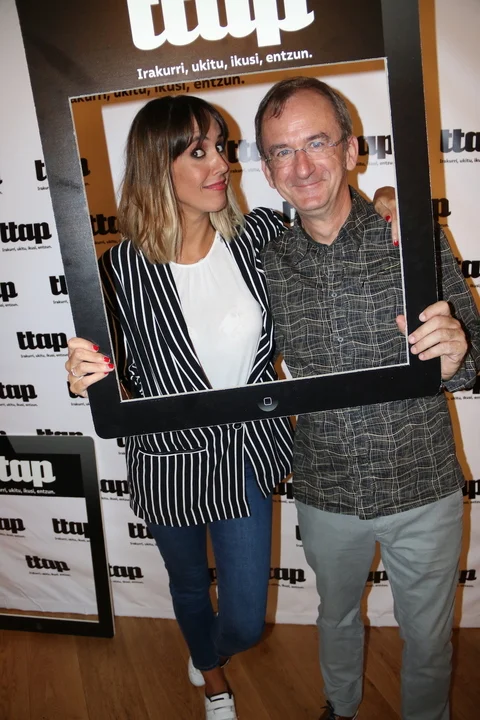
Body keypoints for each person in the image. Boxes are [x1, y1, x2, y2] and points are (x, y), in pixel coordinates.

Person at [66, 94, 397, 720]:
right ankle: (214, 683)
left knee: (244, 618)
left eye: (220, 147)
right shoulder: (117, 273)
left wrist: (385, 201)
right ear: (157, 166)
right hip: (167, 461)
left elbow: (334, 221)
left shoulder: (258, 236)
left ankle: (208, 649)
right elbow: (104, 376)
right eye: (199, 152)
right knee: (190, 584)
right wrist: (81, 376)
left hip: (245, 455)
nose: (222, 163)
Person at [255, 75, 480, 720]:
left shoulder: (409, 234)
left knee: (429, 640)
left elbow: (474, 348)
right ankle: (341, 709)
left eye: (317, 142)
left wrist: (459, 356)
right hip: (324, 489)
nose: (301, 166)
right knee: (335, 617)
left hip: (423, 487)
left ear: (352, 149)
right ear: (267, 171)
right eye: (282, 151)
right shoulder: (266, 261)